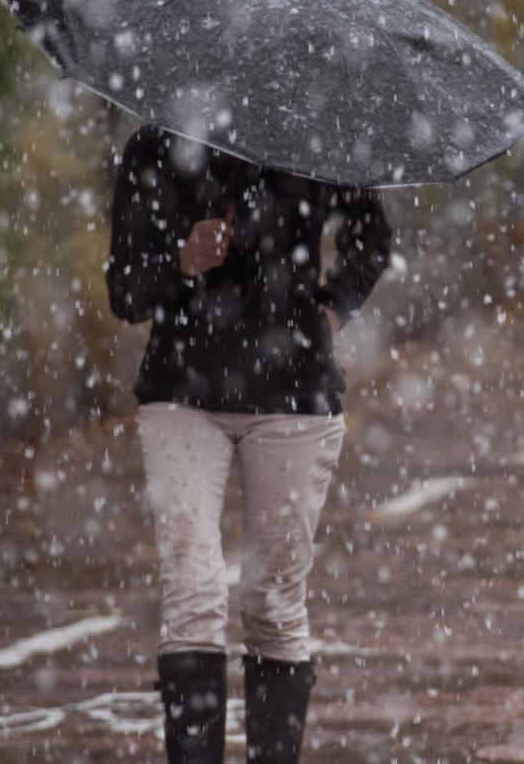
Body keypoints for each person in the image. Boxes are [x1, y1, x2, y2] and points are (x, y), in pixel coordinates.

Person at [106, 125, 391, 763]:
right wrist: (181, 263)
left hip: (294, 394)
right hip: (182, 390)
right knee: (193, 593)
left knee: (273, 602)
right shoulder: (156, 145)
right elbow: (123, 289)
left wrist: (332, 309)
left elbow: (371, 236)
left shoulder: (316, 133)